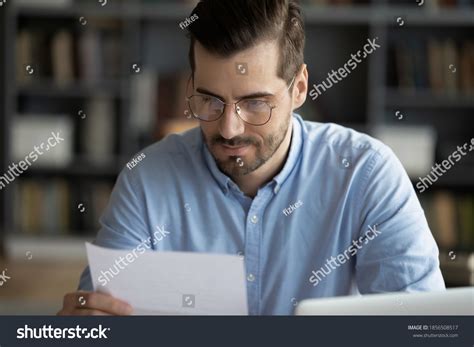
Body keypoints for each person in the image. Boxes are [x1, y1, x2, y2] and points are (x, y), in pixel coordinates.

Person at [58, 0, 445, 316]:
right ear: (190, 88)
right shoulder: (147, 180)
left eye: (255, 103)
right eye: (210, 100)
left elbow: (422, 327)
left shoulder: (367, 174)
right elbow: (97, 319)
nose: (229, 128)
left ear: (299, 89)